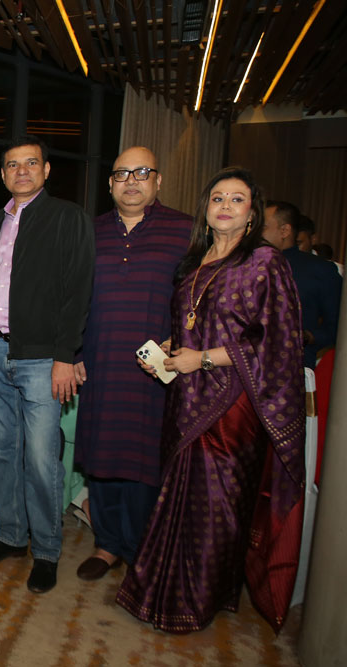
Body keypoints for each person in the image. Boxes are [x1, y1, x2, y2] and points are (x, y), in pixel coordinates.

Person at [118, 166, 306, 634]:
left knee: (215, 502)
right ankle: (160, 590)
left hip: (232, 403)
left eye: (237, 199)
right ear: (206, 208)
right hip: (186, 397)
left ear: (252, 214)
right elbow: (192, 324)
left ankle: (197, 600)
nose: (225, 206)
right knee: (178, 495)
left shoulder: (264, 262)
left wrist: (201, 359)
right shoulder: (195, 261)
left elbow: (277, 342)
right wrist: (170, 349)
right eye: (218, 197)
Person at [0, 136, 94, 594]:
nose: (21, 171)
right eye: (12, 165)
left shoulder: (67, 218)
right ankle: (10, 535)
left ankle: (46, 550)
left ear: (46, 170)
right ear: (3, 174)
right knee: (1, 451)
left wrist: (65, 356)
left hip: (42, 360)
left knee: (41, 460)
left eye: (30, 163)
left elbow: (78, 291)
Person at [72, 147, 191, 581]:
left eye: (142, 172)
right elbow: (73, 296)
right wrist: (73, 354)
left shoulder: (186, 230)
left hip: (156, 371)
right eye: (122, 173)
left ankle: (144, 548)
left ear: (158, 181)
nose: (132, 181)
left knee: (146, 462)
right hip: (100, 361)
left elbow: (200, 297)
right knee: (103, 457)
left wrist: (183, 341)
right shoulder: (91, 230)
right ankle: (107, 545)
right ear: (110, 184)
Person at [261, 201, 341, 369]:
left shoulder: (319, 270)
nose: (256, 233)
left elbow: (338, 324)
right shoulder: (245, 265)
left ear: (284, 231)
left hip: (292, 366)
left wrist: (308, 337)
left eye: (263, 227)